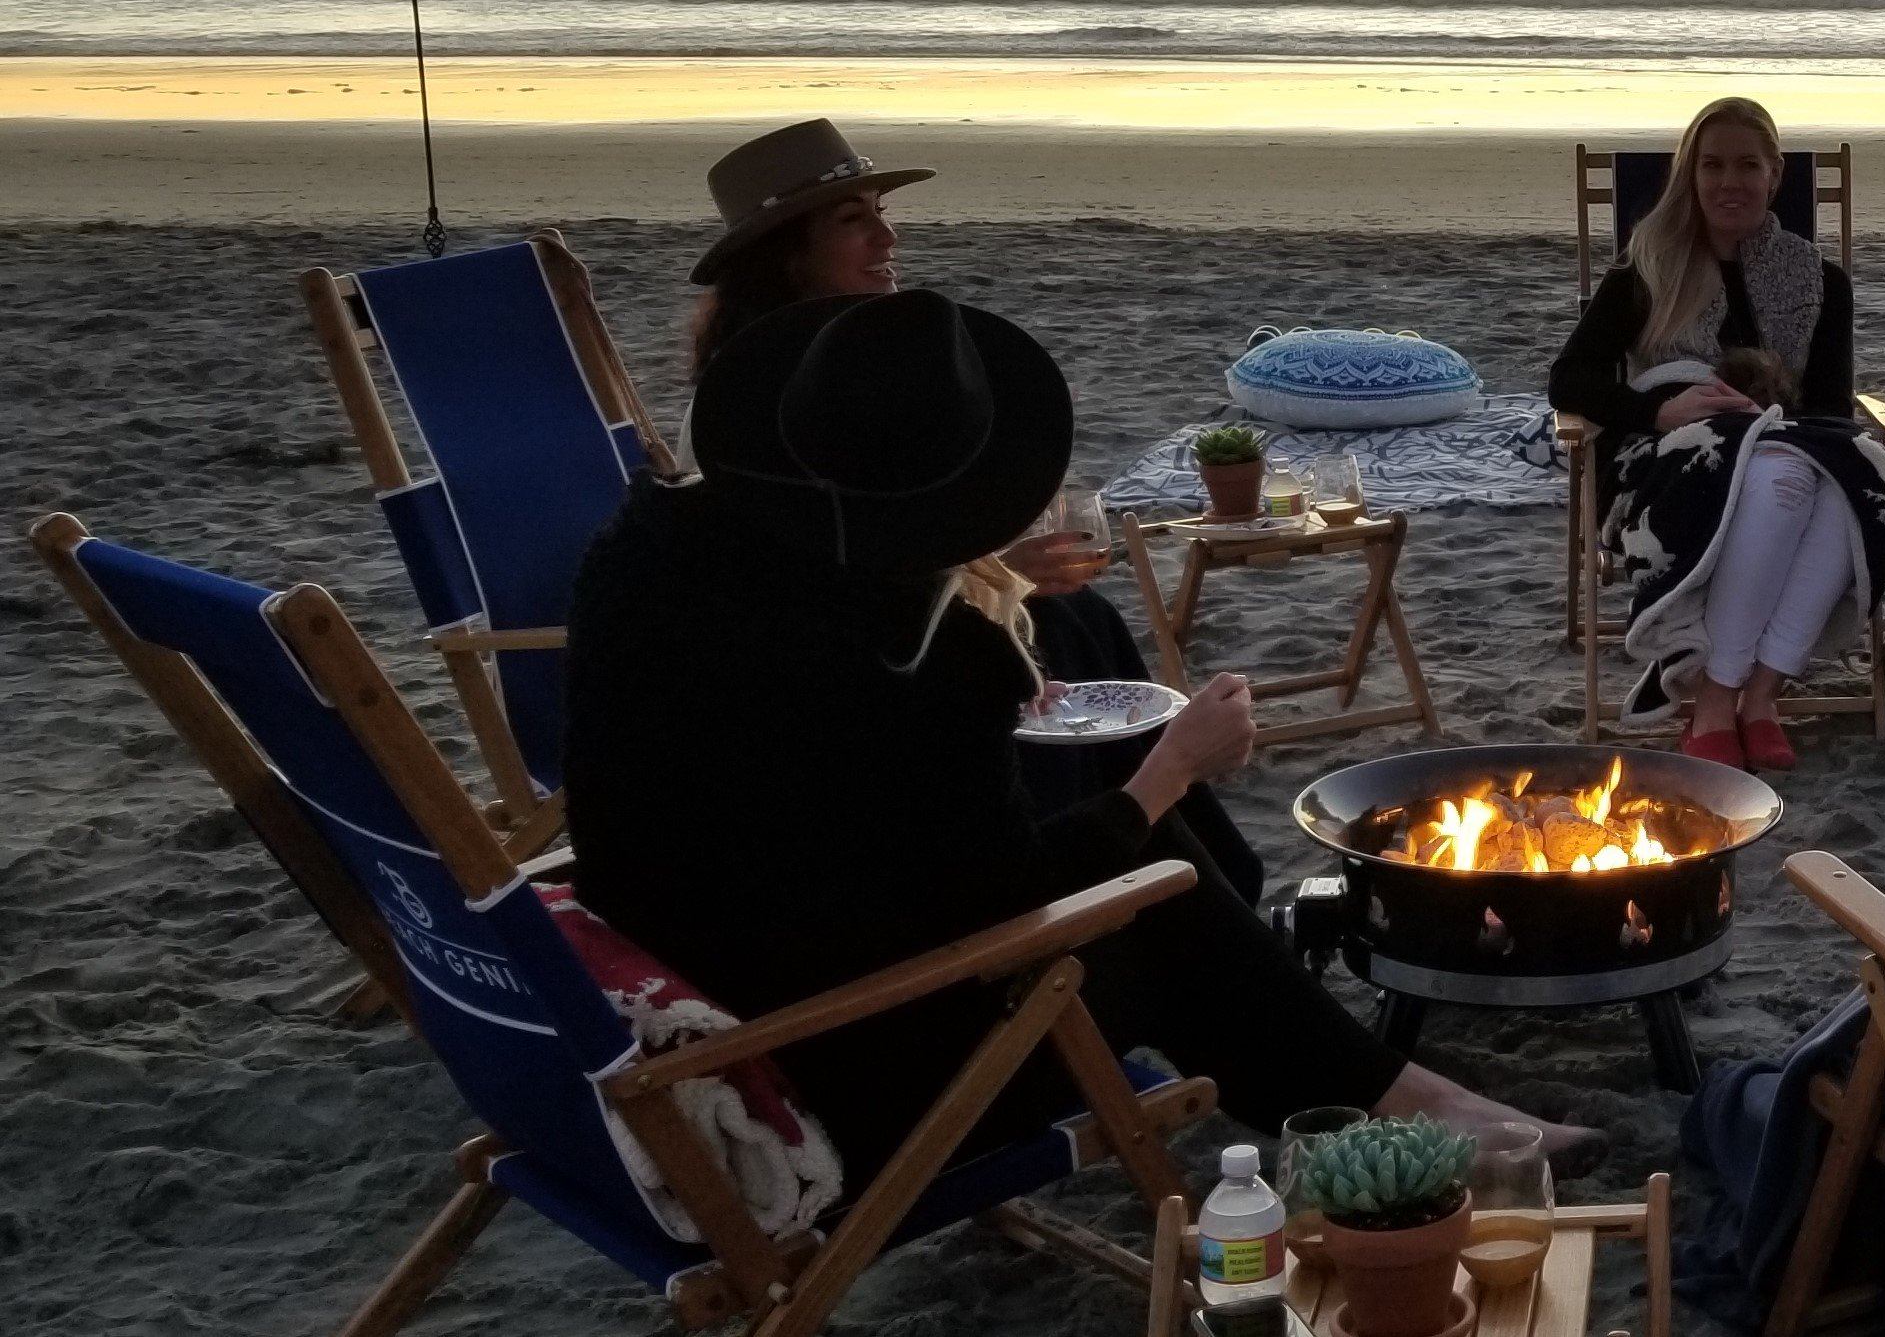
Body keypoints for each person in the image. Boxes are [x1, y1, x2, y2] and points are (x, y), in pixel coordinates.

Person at [563, 288, 1587, 1166]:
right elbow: (1006, 902)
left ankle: (1389, 1092)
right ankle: (1396, 1106)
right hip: (839, 1058)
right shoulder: (912, 657)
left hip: (675, 979)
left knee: (1144, 864)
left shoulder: (647, 553)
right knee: (1153, 894)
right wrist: (1169, 773)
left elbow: (863, 820)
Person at [680, 118, 1252, 882]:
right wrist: (999, 584)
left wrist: (998, 570)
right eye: (855, 221)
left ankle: (1196, 864)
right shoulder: (749, 429)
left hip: (879, 651)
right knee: (1051, 640)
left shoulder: (851, 363)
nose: (887, 238)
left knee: (1079, 616)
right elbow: (834, 606)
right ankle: (1151, 853)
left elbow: (873, 559)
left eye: (882, 211)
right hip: (875, 721)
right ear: (783, 259)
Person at [1548, 98, 1885, 770]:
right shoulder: (1648, 271)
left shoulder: (1819, 280)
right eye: (1711, 165)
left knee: (1846, 487)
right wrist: (1656, 411)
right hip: (1670, 457)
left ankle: (1752, 695)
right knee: (1787, 477)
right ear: (1689, 176)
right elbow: (1568, 379)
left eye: (1748, 165)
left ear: (1774, 176)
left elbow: (1830, 405)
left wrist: (1775, 427)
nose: (1729, 181)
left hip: (1788, 447)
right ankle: (1727, 701)